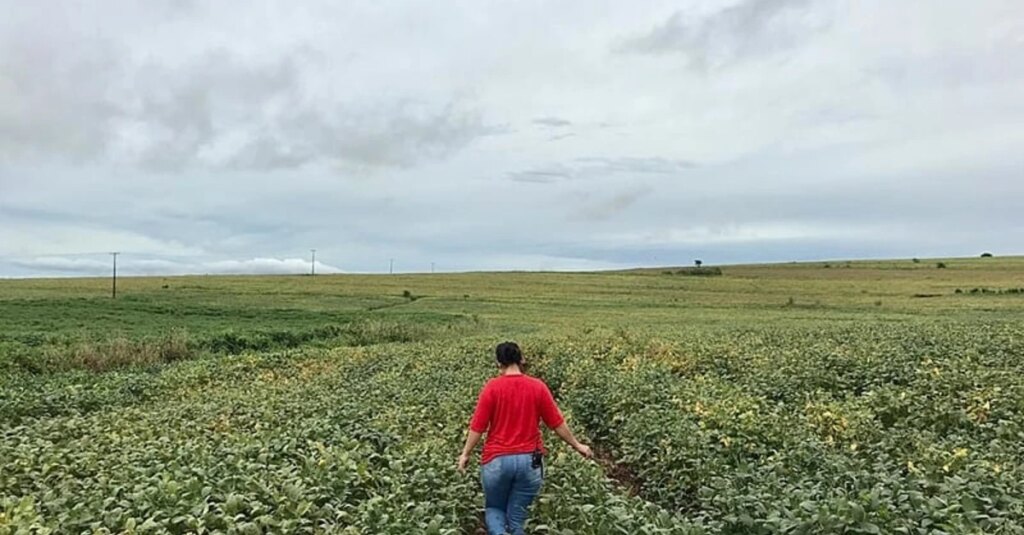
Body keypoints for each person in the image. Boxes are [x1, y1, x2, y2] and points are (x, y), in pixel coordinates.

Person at [457, 341, 593, 535]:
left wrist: (465, 454)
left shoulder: (492, 388)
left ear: (498, 363)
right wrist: (577, 445)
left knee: (495, 508)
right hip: (531, 460)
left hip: (497, 460)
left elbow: (477, 427)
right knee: (519, 516)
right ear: (521, 359)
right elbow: (556, 423)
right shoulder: (537, 387)